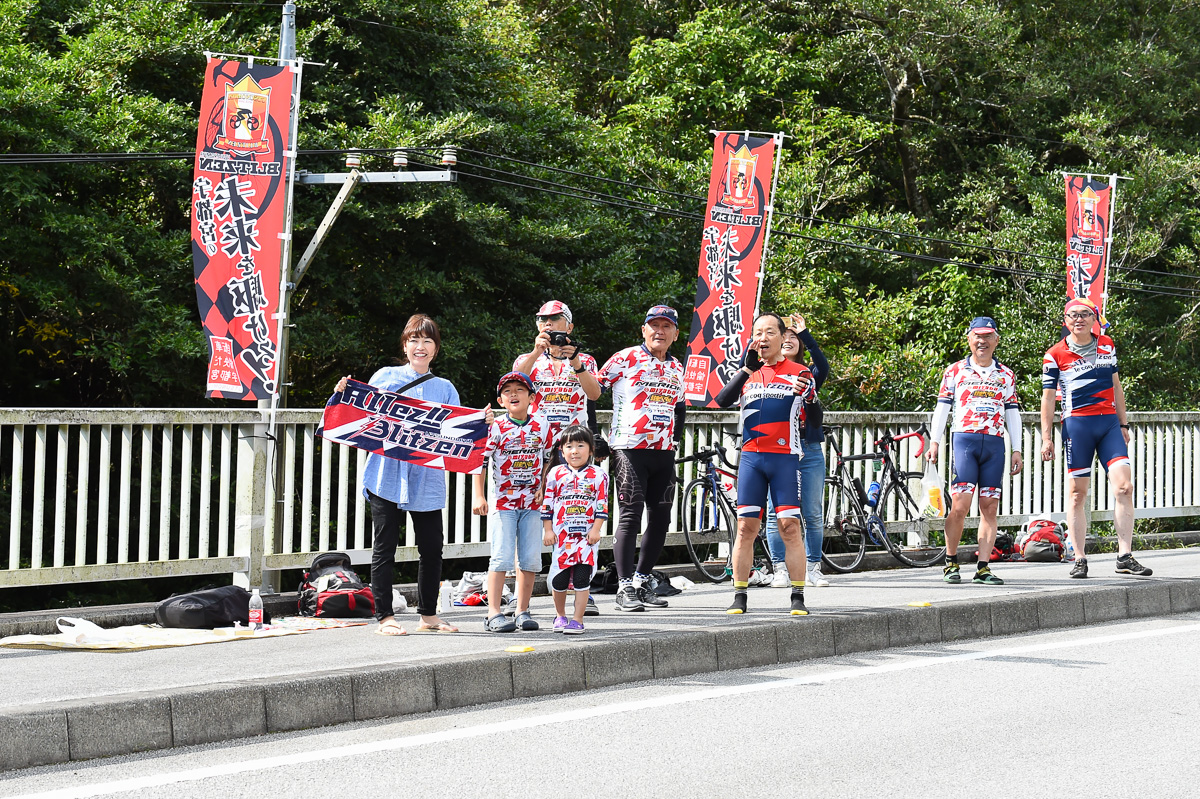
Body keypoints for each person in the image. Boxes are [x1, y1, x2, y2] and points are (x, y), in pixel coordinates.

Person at [335, 314, 462, 636]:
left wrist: (480, 424)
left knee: (432, 547)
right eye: (414, 341)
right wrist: (342, 395)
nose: (420, 347)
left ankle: (429, 615)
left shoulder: (445, 389)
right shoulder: (386, 377)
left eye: (427, 341)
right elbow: (356, 414)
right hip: (385, 474)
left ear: (436, 348)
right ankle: (384, 617)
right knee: (385, 547)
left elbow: (458, 435)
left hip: (426, 476)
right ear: (405, 345)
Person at [1040, 298, 1151, 578]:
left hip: (1109, 424)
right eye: (1073, 315)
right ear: (1065, 321)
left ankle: (1124, 555)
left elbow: (1116, 386)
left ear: (1094, 318)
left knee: (1125, 487)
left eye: (1085, 314)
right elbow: (1048, 398)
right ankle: (1079, 557)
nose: (1079, 319)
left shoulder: (1107, 344)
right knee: (1077, 494)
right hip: (1077, 425)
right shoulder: (1055, 354)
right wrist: (1046, 437)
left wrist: (1124, 423)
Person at [715, 312, 817, 616]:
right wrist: (746, 370)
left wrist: (809, 395)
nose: (763, 338)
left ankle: (798, 596)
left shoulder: (799, 371)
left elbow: (812, 406)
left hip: (784, 458)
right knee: (745, 527)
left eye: (770, 332)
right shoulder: (746, 374)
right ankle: (739, 595)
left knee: (789, 526)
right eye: (758, 332)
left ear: (783, 338)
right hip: (751, 458)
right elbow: (721, 400)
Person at [597, 305, 687, 612]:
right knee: (631, 514)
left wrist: (675, 439)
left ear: (675, 334)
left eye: (666, 326)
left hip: (663, 452)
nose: (659, 331)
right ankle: (624, 587)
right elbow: (593, 389)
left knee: (661, 518)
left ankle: (642, 579)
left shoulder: (678, 367)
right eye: (654, 325)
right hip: (628, 448)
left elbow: (680, 406)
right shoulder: (625, 357)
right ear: (643, 330)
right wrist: (593, 433)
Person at [926, 316, 1023, 585]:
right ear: (969, 339)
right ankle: (950, 561)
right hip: (964, 442)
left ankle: (983, 567)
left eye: (987, 336)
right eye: (977, 336)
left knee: (989, 507)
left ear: (996, 340)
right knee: (960, 505)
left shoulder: (1006, 374)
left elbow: (1012, 412)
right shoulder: (955, 370)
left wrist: (1017, 449)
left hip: (994, 443)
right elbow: (942, 409)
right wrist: (934, 441)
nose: (982, 341)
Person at [473, 371, 551, 633]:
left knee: (529, 559)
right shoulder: (495, 428)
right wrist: (480, 495)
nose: (514, 394)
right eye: (508, 391)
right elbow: (480, 462)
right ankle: (493, 612)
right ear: (500, 400)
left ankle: (522, 609)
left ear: (532, 397)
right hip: (504, 502)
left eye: (520, 389)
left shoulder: (542, 425)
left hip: (532, 503)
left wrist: (543, 486)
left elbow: (549, 458)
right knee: (501, 558)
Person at [762, 315, 830, 589]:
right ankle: (779, 567)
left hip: (809, 447)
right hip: (777, 449)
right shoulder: (768, 372)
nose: (789, 341)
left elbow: (823, 366)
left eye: (794, 338)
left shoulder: (806, 373)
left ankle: (813, 567)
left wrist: (807, 334)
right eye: (785, 336)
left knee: (811, 511)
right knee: (773, 511)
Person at [541, 425, 609, 634]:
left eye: (580, 445)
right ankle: (560, 615)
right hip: (562, 537)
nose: (575, 451)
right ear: (562, 451)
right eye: (569, 446)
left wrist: (596, 529)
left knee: (582, 578)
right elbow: (548, 503)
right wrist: (548, 530)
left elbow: (602, 504)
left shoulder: (598, 475)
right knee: (559, 579)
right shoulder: (555, 473)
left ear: (590, 450)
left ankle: (577, 619)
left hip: (586, 538)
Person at [513, 300, 603, 445]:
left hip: (574, 439)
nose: (548, 323)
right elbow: (514, 387)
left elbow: (594, 394)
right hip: (536, 437)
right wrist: (536, 352)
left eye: (555, 318)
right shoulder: (525, 359)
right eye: (542, 319)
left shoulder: (586, 360)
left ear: (569, 328)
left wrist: (577, 364)